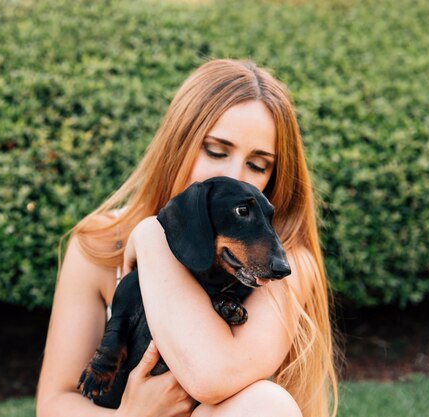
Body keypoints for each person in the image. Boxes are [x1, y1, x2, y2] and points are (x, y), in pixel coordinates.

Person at [36, 59, 340, 417]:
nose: (233, 176)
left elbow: (211, 375)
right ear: (177, 145)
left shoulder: (279, 266)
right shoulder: (101, 244)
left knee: (266, 406)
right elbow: (55, 403)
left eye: (257, 165)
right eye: (216, 150)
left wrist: (151, 239)